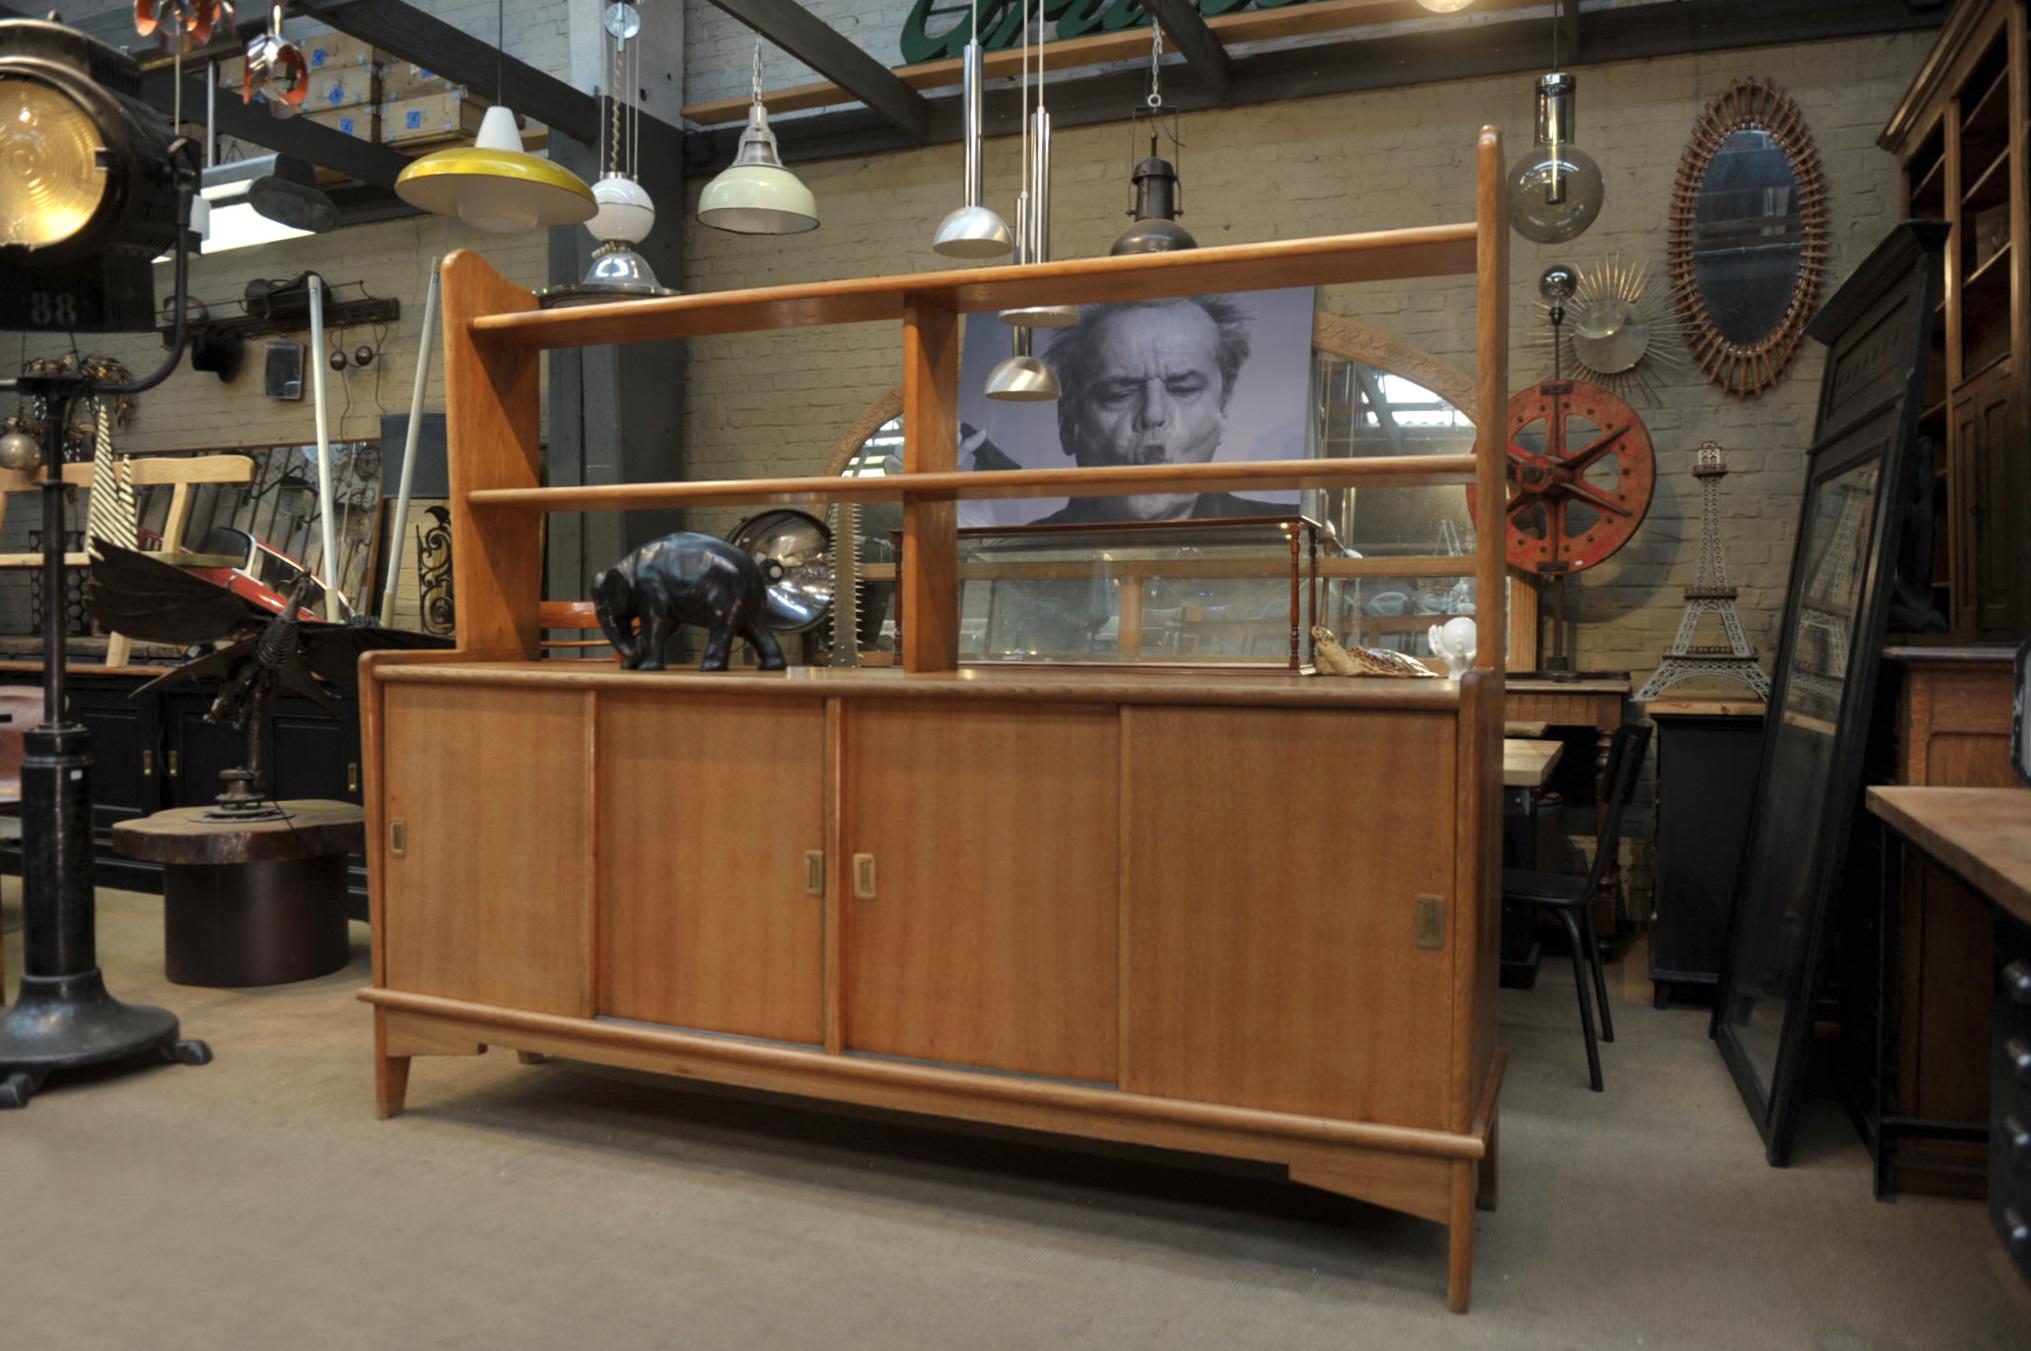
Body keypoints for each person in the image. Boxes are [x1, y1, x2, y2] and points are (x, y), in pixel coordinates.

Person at [1031, 295, 1286, 525]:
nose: (1153, 414)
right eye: (1120, 393)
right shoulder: (1017, 559)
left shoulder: (1288, 538)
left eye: (1183, 389)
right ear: (1067, 422)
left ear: (1223, 409)